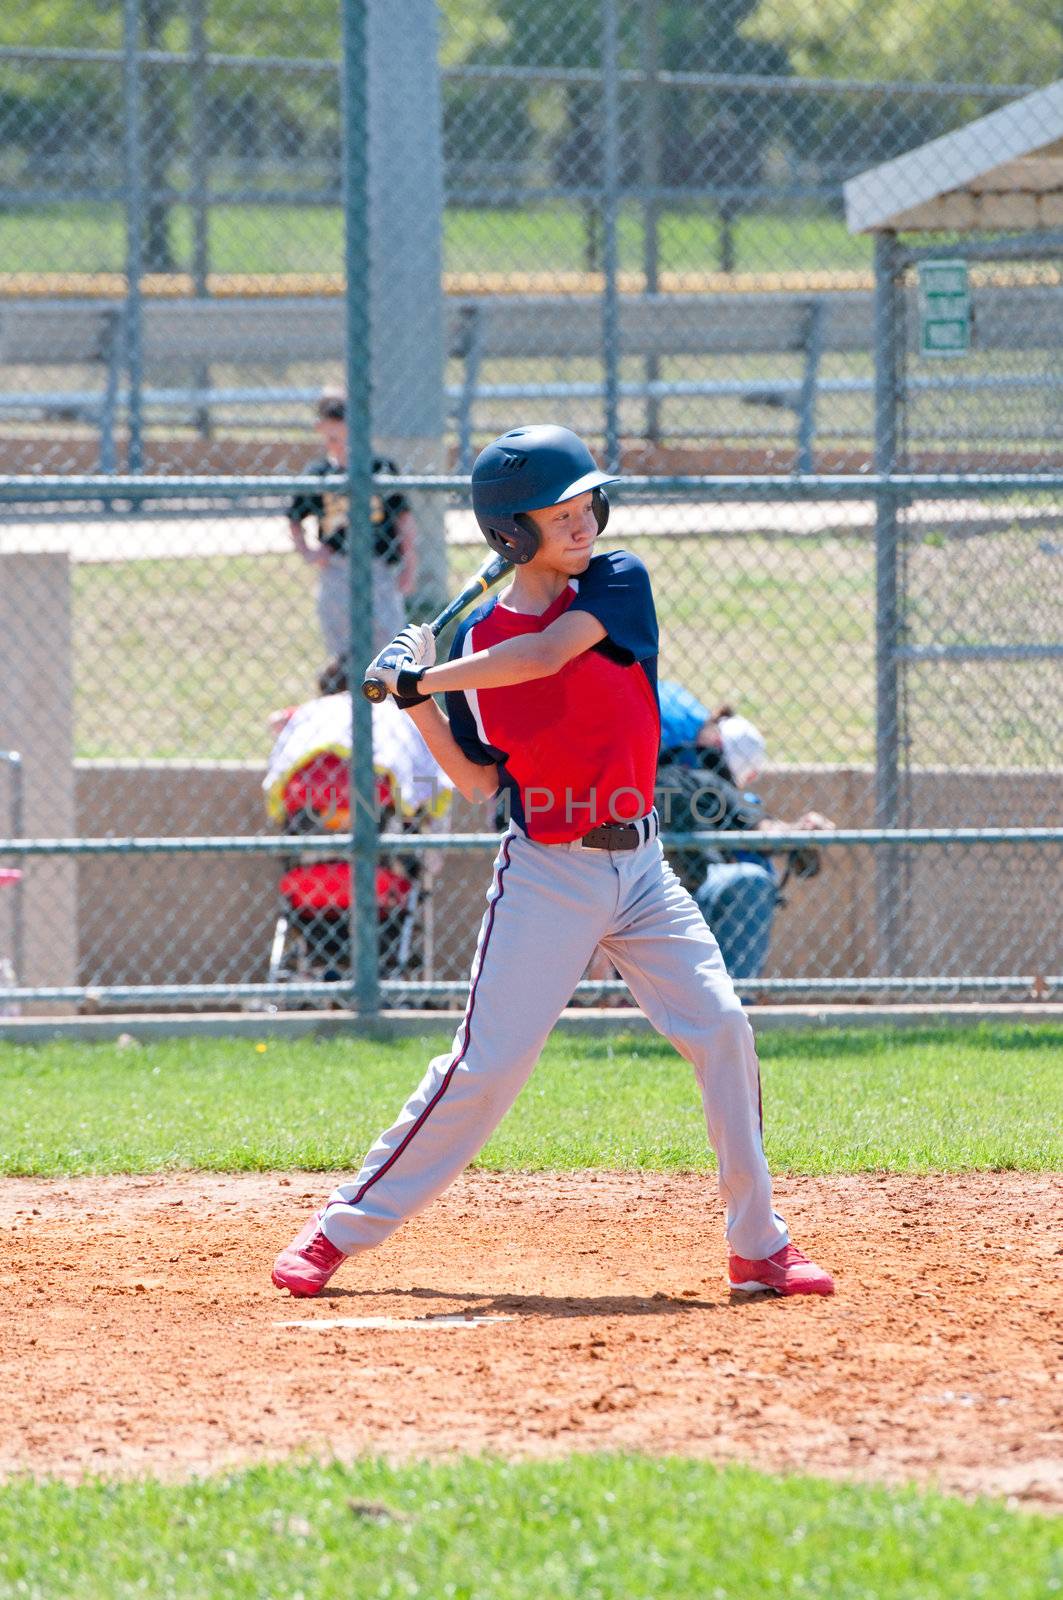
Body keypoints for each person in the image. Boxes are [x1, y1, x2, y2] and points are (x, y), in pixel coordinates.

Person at [272, 424, 834, 1301]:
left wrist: (429, 679)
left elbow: (544, 654)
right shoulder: (474, 652)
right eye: (559, 513)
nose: (583, 524)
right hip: (546, 872)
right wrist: (419, 698)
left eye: (587, 506)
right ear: (510, 534)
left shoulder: (616, 583)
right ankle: (335, 1231)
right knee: (484, 1067)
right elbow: (471, 783)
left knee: (722, 1027)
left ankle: (758, 1244)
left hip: (642, 869)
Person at [655, 680, 835, 982]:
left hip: (692, 894)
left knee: (747, 880)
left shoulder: (697, 782)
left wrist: (800, 830)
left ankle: (730, 1004)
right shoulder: (603, 785)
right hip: (627, 889)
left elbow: (759, 826)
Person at [287, 388, 418, 659]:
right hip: (336, 567)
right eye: (334, 438)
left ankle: (389, 696)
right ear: (320, 429)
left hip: (379, 567)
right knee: (340, 643)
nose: (343, 445)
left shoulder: (380, 468)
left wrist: (410, 565)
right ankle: (345, 696)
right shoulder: (319, 474)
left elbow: (403, 519)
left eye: (349, 436)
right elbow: (294, 518)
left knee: (389, 641)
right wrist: (308, 551)